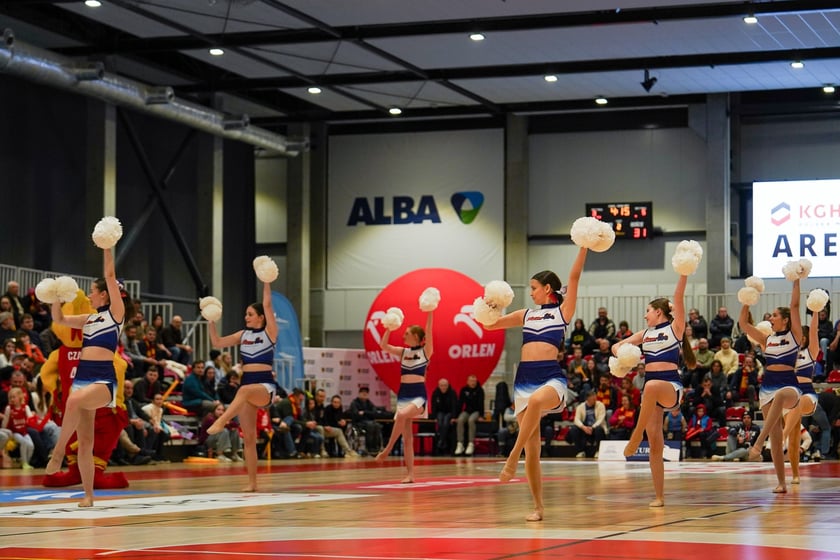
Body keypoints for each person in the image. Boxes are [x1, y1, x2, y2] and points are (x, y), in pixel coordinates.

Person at [491, 245, 588, 522]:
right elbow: (490, 325)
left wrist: (583, 245)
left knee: (536, 403)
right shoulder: (526, 314)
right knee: (533, 450)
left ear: (547, 289)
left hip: (550, 377)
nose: (531, 292)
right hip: (524, 378)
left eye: (534, 288)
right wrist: (488, 306)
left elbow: (574, 277)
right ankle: (538, 507)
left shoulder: (563, 312)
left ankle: (512, 457)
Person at [45, 243, 132, 508]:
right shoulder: (89, 319)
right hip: (83, 377)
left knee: (72, 400)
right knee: (85, 442)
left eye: (93, 291)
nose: (90, 295)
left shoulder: (116, 315)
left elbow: (109, 275)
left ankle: (58, 452)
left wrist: (107, 248)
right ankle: (88, 495)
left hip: (103, 380)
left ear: (105, 294)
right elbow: (59, 319)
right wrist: (56, 297)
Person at [612, 261, 696, 507]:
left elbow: (678, 297)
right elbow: (617, 346)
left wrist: (684, 272)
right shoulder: (644, 334)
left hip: (670, 388)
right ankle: (659, 496)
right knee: (656, 445)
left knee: (649, 387)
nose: (644, 315)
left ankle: (635, 435)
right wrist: (624, 356)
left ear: (659, 312)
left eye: (647, 310)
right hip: (651, 396)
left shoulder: (675, 328)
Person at [206, 267, 279, 492]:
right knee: (249, 438)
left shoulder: (270, 333)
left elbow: (267, 304)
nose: (246, 317)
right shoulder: (243, 335)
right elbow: (217, 343)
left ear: (260, 317)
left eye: (250, 314)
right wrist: (210, 320)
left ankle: (221, 421)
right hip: (247, 386)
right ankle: (252, 483)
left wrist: (266, 280)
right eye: (246, 314)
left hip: (265, 387)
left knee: (244, 391)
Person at [739, 276, 803, 494]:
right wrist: (747, 299)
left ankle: (758, 442)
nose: (770, 318)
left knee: (781, 396)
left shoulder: (795, 336)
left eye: (775, 315)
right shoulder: (768, 339)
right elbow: (744, 324)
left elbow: (795, 306)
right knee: (776, 437)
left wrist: (796, 281)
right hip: (767, 387)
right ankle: (782, 483)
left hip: (789, 386)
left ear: (785, 320)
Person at [375, 308, 433, 483]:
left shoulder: (425, 352)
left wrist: (430, 312)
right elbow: (383, 346)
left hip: (418, 395)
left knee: (401, 415)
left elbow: (429, 331)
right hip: (404, 394)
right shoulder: (403, 352)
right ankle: (410, 475)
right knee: (407, 438)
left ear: (415, 336)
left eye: (406, 333)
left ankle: (387, 450)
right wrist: (389, 328)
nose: (403, 336)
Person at [783, 305, 821, 483]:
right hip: (789, 395)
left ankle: (781, 436)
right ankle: (795, 475)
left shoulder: (810, 352)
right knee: (794, 439)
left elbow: (814, 330)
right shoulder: (788, 354)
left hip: (807, 394)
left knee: (798, 404)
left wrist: (815, 309)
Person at [568, 389, 607, 456]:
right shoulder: (580, 406)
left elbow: (601, 419)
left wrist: (592, 427)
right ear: (587, 399)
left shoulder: (600, 405)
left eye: (595, 398)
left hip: (595, 428)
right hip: (585, 428)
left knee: (599, 429)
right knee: (574, 429)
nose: (595, 399)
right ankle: (580, 451)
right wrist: (583, 427)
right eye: (593, 398)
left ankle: (598, 451)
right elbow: (576, 419)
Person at [454, 374, 484, 456]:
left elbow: (481, 404)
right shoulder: (464, 390)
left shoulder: (480, 390)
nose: (473, 383)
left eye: (474, 381)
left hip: (476, 411)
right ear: (467, 382)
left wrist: (481, 416)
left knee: (471, 420)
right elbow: (460, 403)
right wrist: (456, 416)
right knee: (460, 420)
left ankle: (471, 444)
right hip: (467, 411)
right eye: (471, 381)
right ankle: (460, 443)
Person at [348, 386, 383, 454]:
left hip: (369, 421)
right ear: (359, 393)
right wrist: (367, 414)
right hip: (359, 423)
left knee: (377, 426)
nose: (364, 394)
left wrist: (364, 412)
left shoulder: (369, 403)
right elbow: (356, 415)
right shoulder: (354, 403)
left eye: (366, 392)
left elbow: (374, 413)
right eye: (363, 392)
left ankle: (376, 447)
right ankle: (370, 447)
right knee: (370, 425)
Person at [429, 377, 458, 455]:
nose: (443, 387)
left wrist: (454, 417)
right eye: (441, 385)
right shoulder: (435, 393)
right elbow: (434, 406)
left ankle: (441, 441)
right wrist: (434, 417)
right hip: (440, 412)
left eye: (445, 385)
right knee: (440, 420)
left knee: (445, 421)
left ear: (448, 385)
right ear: (438, 386)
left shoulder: (452, 393)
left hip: (449, 413)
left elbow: (454, 406)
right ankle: (443, 441)